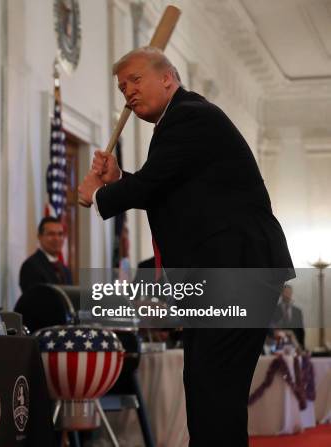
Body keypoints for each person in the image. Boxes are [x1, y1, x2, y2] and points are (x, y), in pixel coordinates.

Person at [78, 47, 293, 447]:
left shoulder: (191, 115)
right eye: (122, 86)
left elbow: (153, 183)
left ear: (167, 77)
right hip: (225, 274)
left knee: (213, 389)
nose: (128, 92)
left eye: (136, 79)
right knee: (209, 391)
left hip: (235, 271)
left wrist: (99, 191)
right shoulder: (181, 124)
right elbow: (167, 189)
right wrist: (120, 177)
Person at [19, 216, 72, 293]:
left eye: (60, 234)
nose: (56, 238)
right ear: (40, 237)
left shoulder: (65, 270)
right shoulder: (31, 266)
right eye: (51, 234)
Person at [273, 284, 305, 348]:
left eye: (289, 292)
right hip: (279, 345)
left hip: (295, 346)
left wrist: (302, 347)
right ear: (281, 293)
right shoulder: (274, 310)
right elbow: (272, 330)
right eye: (286, 292)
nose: (288, 295)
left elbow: (301, 331)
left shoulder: (298, 311)